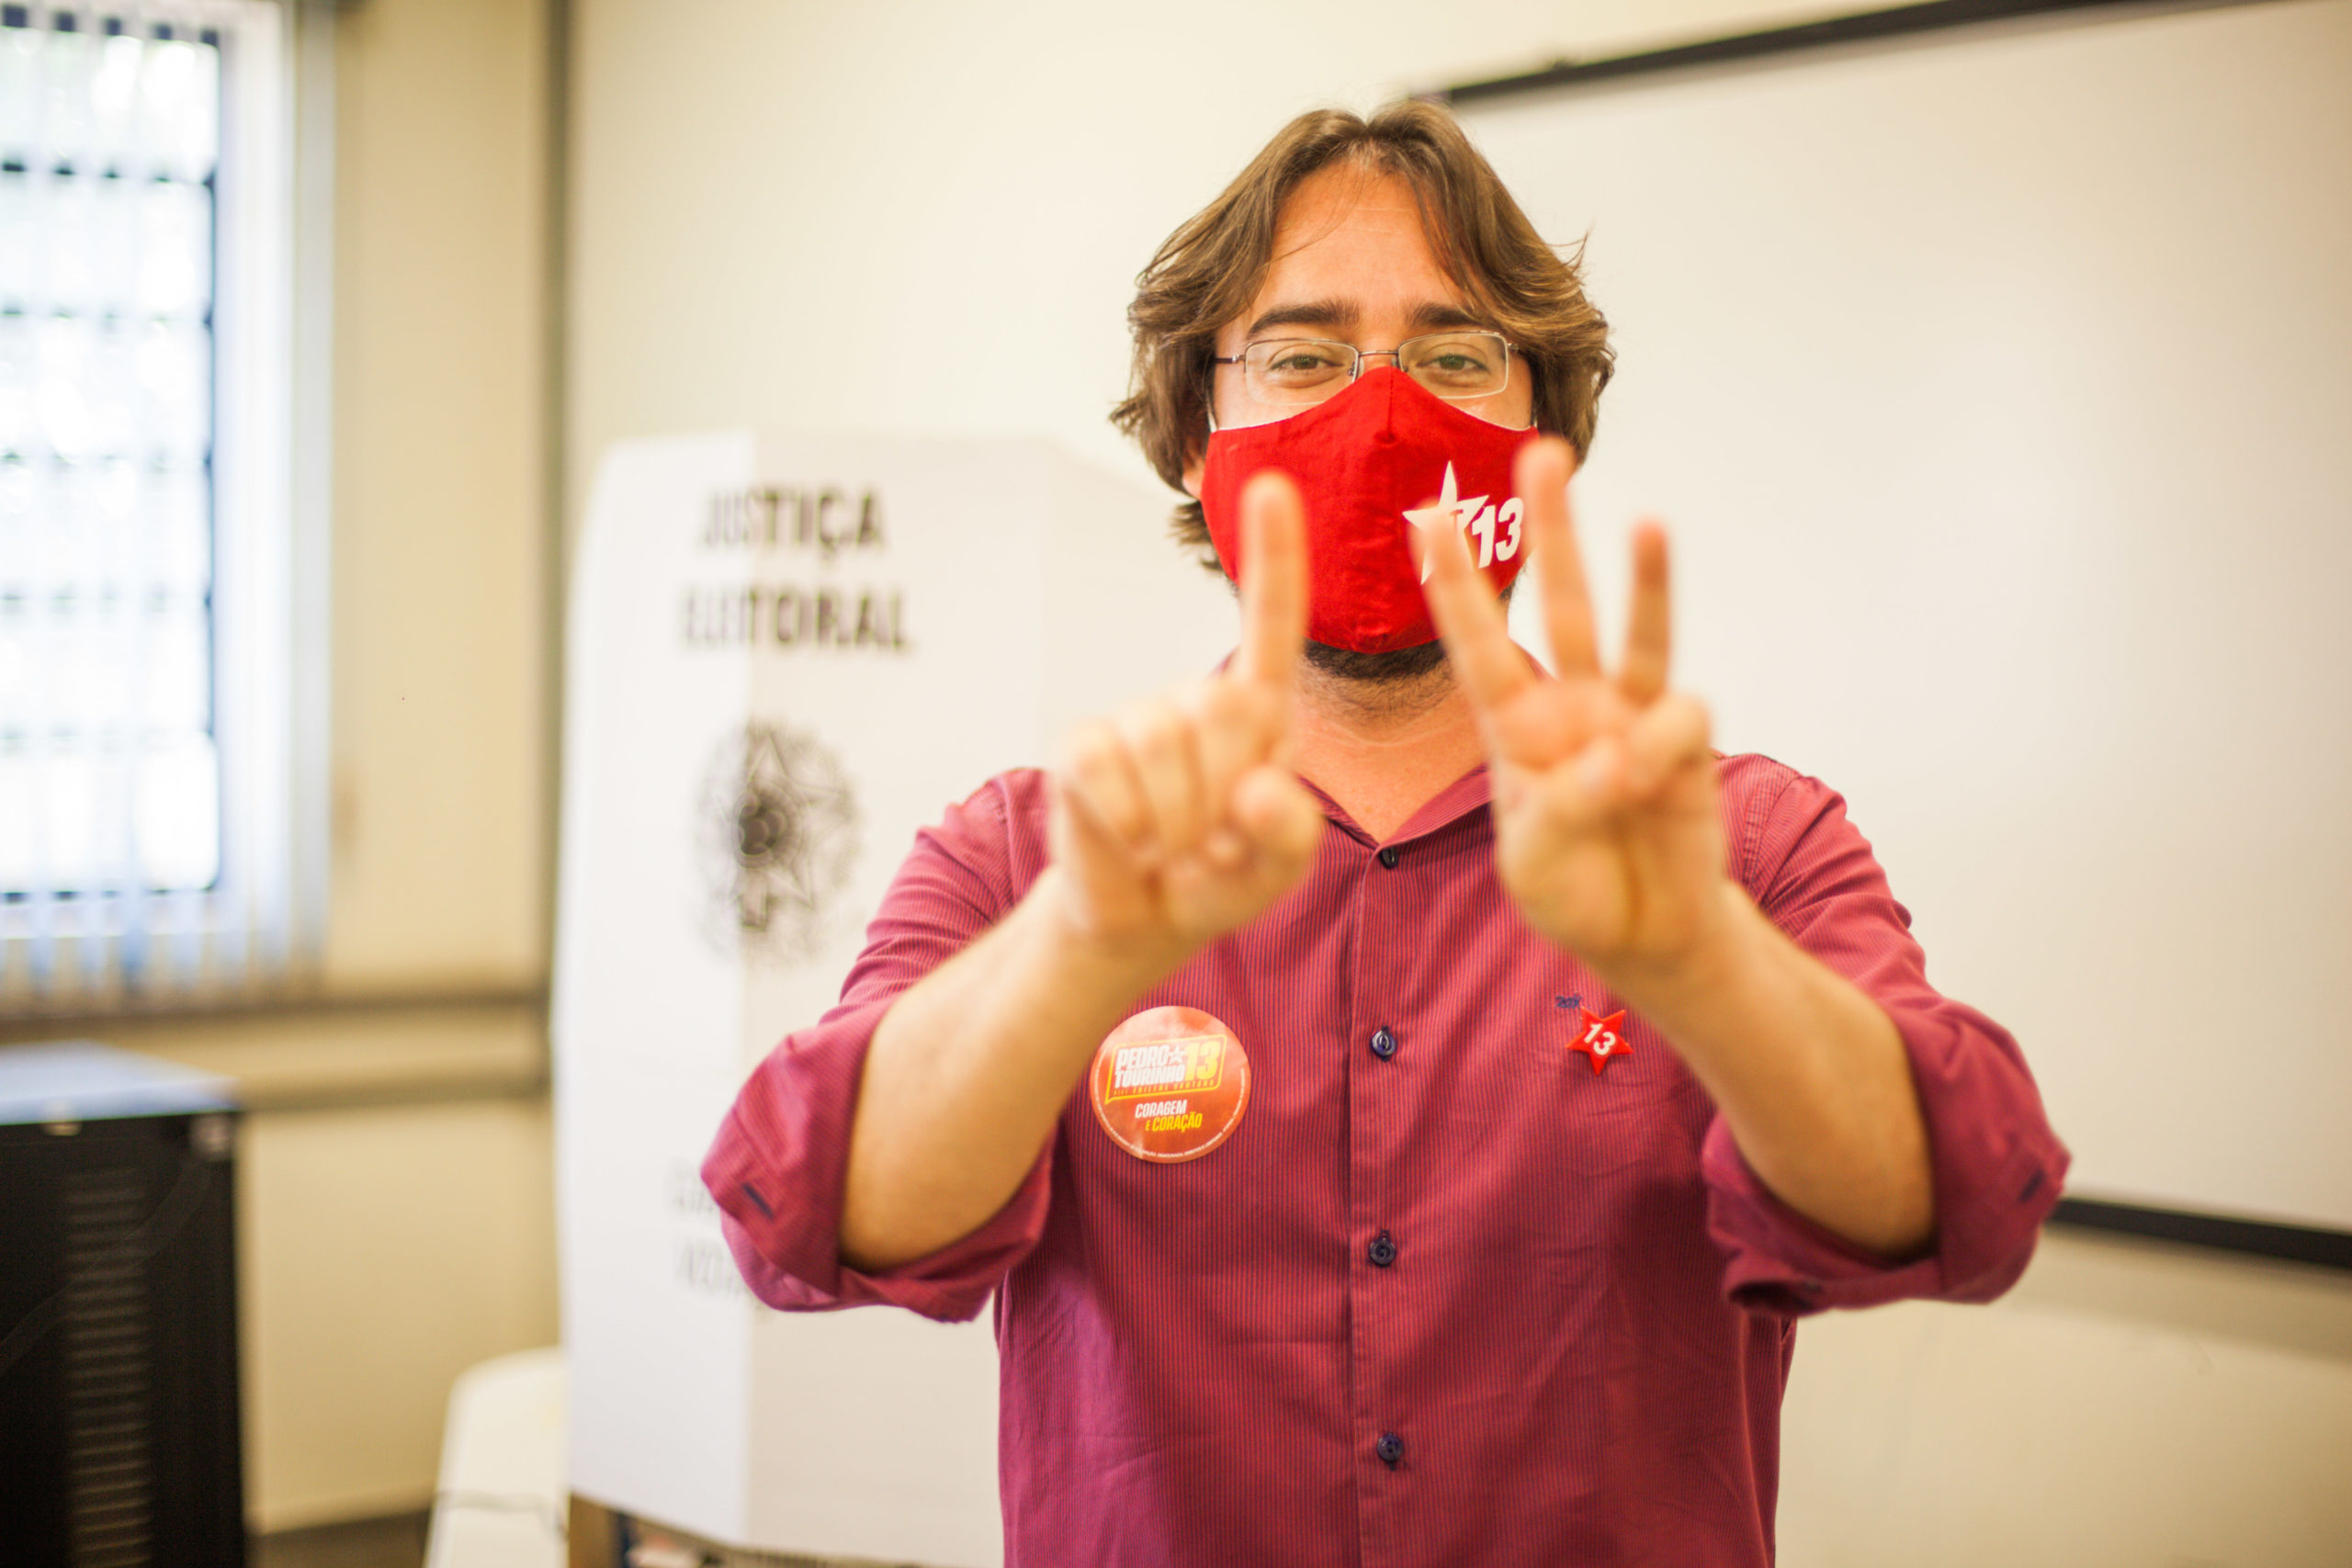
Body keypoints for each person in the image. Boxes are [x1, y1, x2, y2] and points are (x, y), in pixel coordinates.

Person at [704, 100, 2065, 1566]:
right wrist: (1078, 956)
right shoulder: (1033, 860)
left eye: (1455, 353)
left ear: (1541, 430)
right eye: (1300, 355)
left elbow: (1965, 1199)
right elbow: (805, 1211)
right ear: (1193, 431)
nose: (1382, 408)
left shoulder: (1737, 846)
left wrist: (1700, 961)